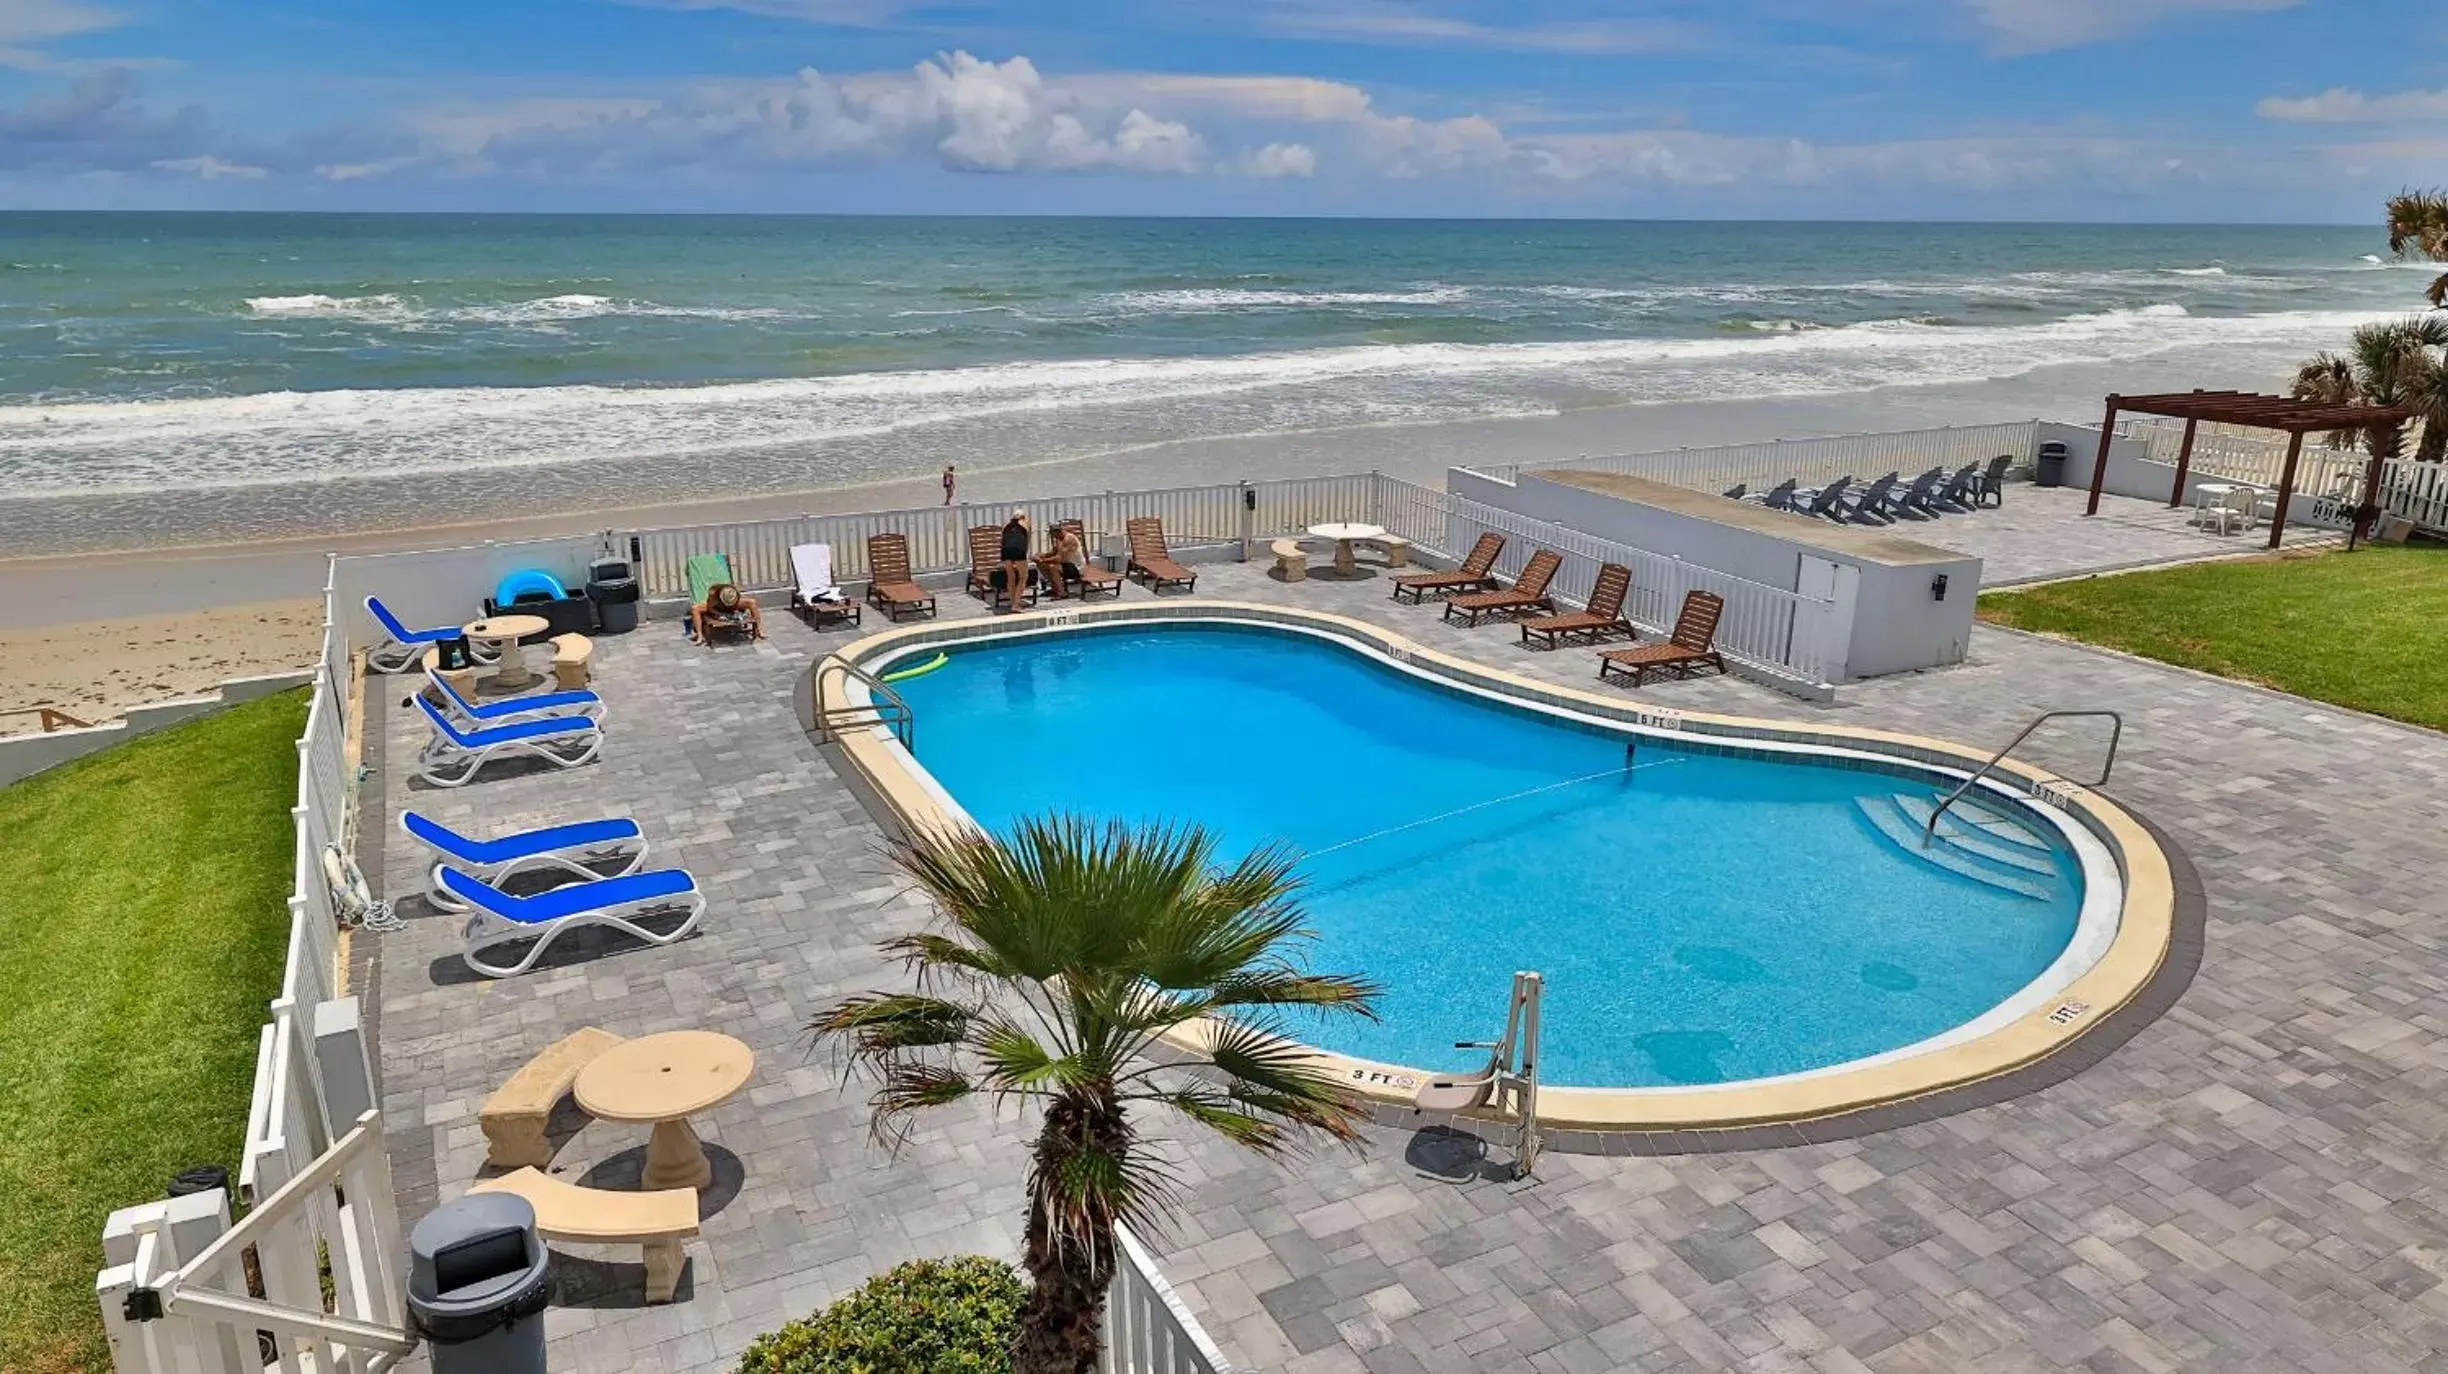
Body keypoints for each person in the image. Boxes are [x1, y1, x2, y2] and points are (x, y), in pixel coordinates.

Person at [691, 582, 764, 642]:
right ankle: (699, 635)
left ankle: (759, 629)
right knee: (695, 608)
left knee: (752, 602)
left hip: (732, 606)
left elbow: (737, 602)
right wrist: (718, 614)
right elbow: (710, 608)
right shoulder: (713, 593)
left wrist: (734, 610)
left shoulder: (733, 591)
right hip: (717, 608)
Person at [1040, 520, 1087, 598]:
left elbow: (1059, 558)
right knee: (1041, 565)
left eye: (1052, 533)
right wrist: (1039, 556)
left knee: (1053, 567)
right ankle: (1055, 588)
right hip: (1065, 564)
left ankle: (1061, 592)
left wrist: (1043, 560)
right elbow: (1052, 552)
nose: (1051, 536)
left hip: (1076, 567)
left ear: (1057, 532)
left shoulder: (1068, 539)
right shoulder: (1058, 539)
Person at [996, 509, 1032, 610]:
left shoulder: (1006, 526)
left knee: (1010, 576)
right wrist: (1022, 557)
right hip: (1018, 549)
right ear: (1023, 517)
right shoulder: (1026, 523)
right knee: (1023, 577)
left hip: (1006, 549)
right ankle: (1016, 605)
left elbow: (1003, 540)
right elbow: (1026, 542)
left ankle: (1014, 602)